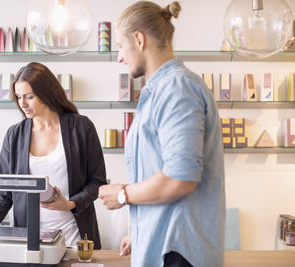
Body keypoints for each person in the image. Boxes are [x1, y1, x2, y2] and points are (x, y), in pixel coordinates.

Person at [98, 1, 225, 267]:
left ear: (139, 39)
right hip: (165, 244)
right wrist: (143, 231)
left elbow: (180, 180)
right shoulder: (161, 90)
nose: (119, 57)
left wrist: (123, 194)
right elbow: (159, 171)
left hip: (178, 253)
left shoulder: (177, 88)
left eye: (120, 46)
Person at [0, 62, 107, 249]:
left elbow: (97, 182)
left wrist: (71, 204)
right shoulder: (14, 135)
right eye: (18, 97)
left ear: (47, 93)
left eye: (29, 97)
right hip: (29, 240)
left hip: (75, 237)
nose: (22, 104)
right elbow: (5, 193)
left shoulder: (80, 127)